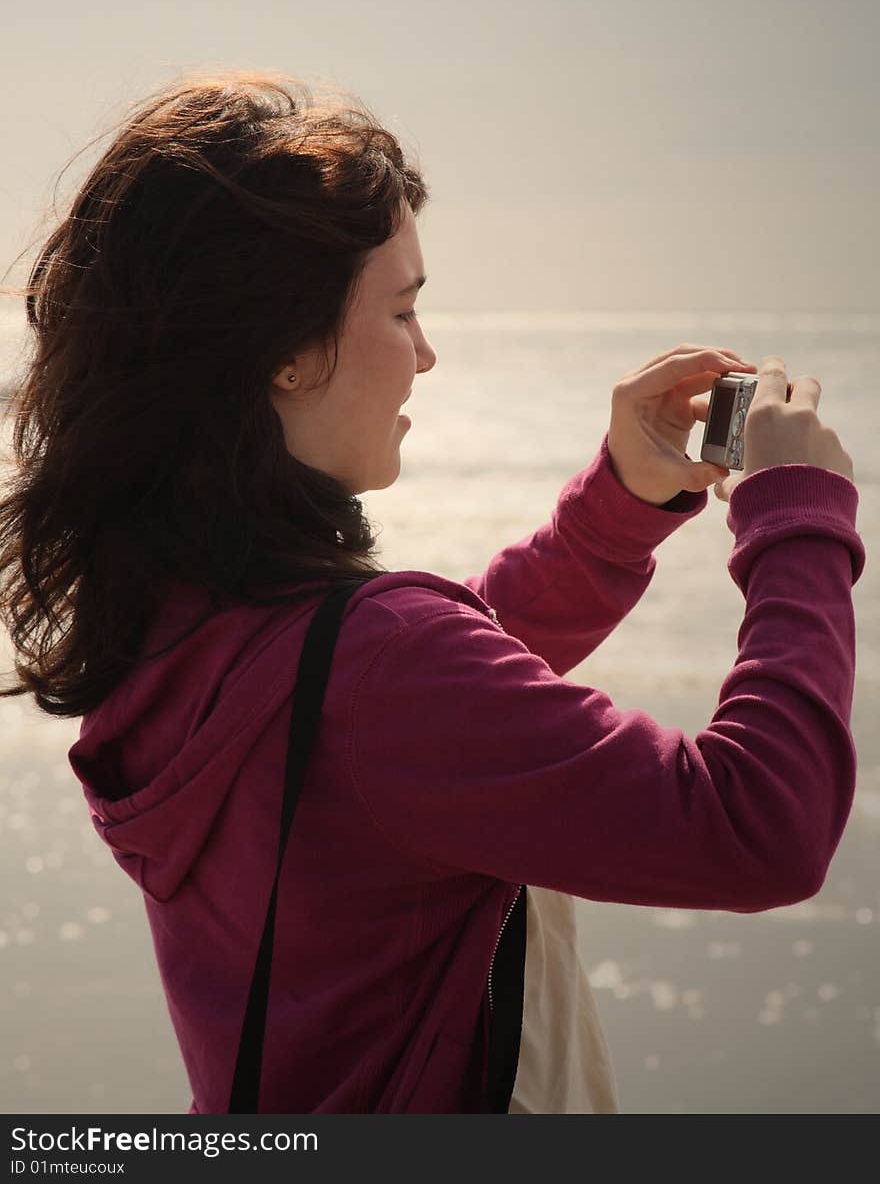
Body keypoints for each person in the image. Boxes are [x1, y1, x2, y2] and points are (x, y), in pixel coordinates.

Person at [0, 71, 864, 1115]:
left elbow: (433, 700)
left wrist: (621, 505)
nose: (426, 353)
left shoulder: (170, 615)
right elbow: (760, 825)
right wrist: (796, 520)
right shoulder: (379, 670)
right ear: (283, 350)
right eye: (402, 309)